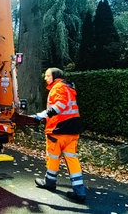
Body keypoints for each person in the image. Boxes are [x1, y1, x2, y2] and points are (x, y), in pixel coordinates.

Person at [32, 67, 86, 202]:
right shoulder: (68, 88)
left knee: (53, 157)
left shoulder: (58, 87)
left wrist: (41, 115)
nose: (45, 78)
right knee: (72, 159)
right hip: (73, 130)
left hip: (58, 130)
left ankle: (50, 183)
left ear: (55, 76)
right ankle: (80, 191)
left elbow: (59, 106)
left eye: (47, 75)